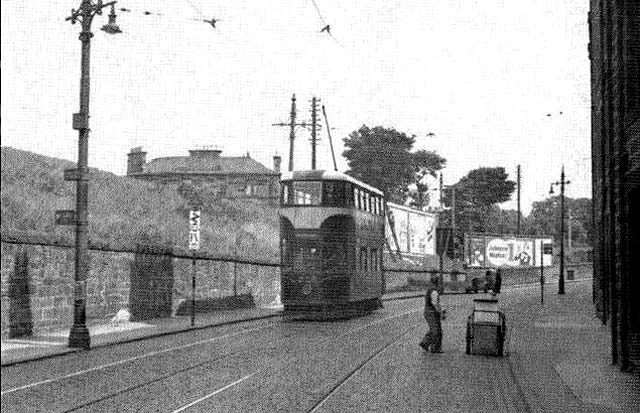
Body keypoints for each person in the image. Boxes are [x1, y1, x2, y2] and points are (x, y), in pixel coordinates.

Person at [420, 276, 444, 353]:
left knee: (434, 329)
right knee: (436, 331)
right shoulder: (434, 292)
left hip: (430, 312)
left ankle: (424, 343)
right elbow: (435, 304)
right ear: (437, 283)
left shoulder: (431, 290)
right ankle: (435, 348)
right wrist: (441, 313)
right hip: (431, 313)